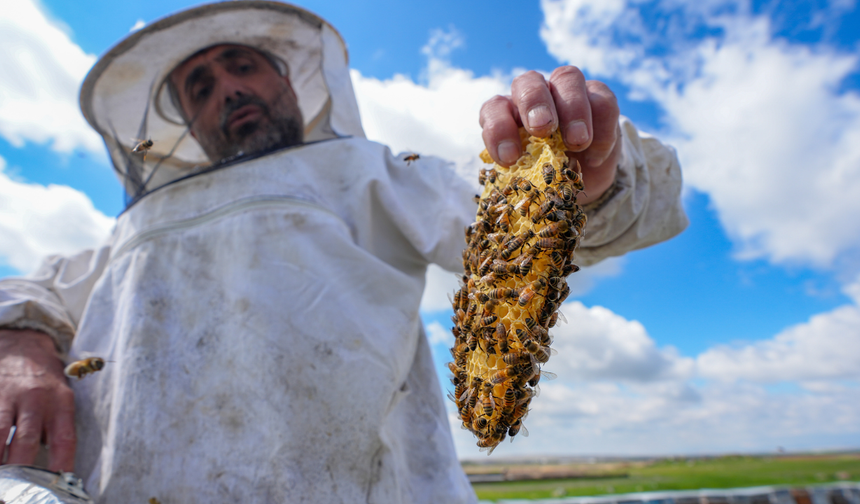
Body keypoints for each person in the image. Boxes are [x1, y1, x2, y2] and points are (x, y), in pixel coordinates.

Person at [0, 2, 687, 502]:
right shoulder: (134, 230)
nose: (227, 88)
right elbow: (30, 289)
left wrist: (576, 171)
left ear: (291, 82)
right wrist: (22, 345)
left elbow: (523, 219)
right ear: (187, 125)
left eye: (241, 65)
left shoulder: (368, 172)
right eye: (200, 87)